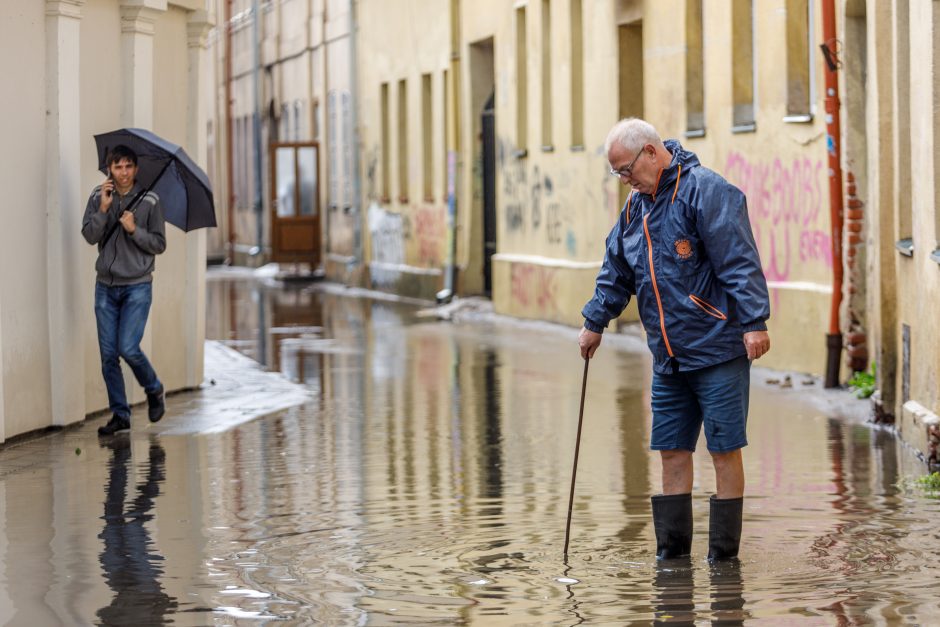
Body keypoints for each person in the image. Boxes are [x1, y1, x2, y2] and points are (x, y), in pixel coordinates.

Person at [579, 118, 771, 561]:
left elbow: (740, 261)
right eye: (617, 174)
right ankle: (672, 559)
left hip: (717, 349)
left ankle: (723, 559)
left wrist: (754, 322)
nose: (625, 180)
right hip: (667, 358)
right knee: (671, 451)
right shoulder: (634, 209)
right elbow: (616, 272)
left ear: (650, 152)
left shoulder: (706, 191)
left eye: (626, 170)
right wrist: (595, 321)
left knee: (724, 451)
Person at [82, 145, 167, 435]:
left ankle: (154, 389)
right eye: (118, 167)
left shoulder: (150, 200)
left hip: (137, 286)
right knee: (108, 355)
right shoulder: (97, 196)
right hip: (105, 286)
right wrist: (104, 210)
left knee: (127, 347)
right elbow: (89, 235)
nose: (124, 172)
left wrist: (134, 230)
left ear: (136, 169)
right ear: (110, 169)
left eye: (129, 166)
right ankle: (120, 415)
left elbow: (159, 244)